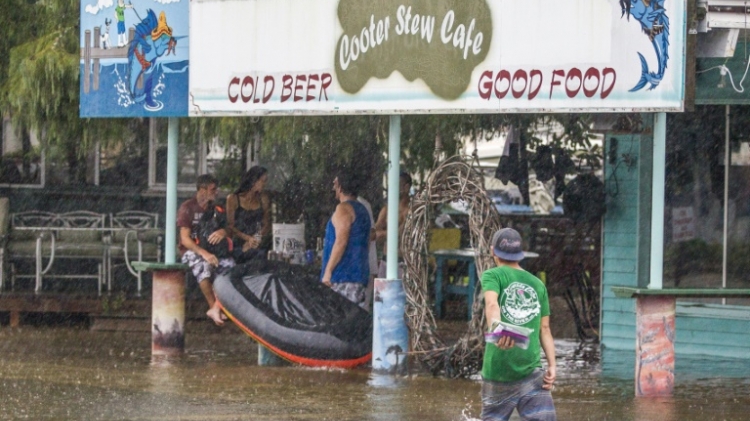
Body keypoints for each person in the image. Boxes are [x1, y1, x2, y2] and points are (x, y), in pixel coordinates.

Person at [480, 227, 557, 421]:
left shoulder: (492, 275)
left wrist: (497, 330)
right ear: (520, 255)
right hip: (531, 369)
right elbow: (545, 329)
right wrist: (553, 366)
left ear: (493, 251)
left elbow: (491, 303)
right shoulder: (538, 284)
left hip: (498, 370)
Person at [178, 174, 235, 326]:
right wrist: (204, 253)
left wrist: (223, 232)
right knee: (203, 265)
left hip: (214, 250)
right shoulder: (188, 207)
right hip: (192, 251)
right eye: (213, 189)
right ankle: (212, 307)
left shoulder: (217, 208)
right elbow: (185, 239)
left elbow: (230, 229)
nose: (216, 192)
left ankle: (219, 306)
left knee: (230, 267)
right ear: (202, 190)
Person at [320, 170, 371, 308]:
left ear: (341, 187)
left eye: (335, 184)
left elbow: (341, 241)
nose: (333, 188)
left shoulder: (343, 209)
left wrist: (328, 271)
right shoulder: (363, 210)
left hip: (342, 278)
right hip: (358, 276)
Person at [225, 166, 271, 264]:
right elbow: (230, 226)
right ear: (254, 181)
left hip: (256, 242)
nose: (264, 184)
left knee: (261, 256)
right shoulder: (233, 199)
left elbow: (266, 224)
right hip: (238, 242)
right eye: (263, 181)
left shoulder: (263, 199)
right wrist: (247, 238)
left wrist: (255, 238)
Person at [374, 171, 412, 278]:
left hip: (403, 262)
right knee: (381, 295)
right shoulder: (387, 209)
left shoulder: (411, 211)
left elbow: (400, 234)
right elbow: (374, 232)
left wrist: (382, 234)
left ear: (406, 187)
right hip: (385, 261)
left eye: (396, 185)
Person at [356, 194, 378, 311]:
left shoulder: (362, 205)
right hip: (358, 266)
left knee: (361, 308)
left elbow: (372, 233)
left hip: (363, 266)